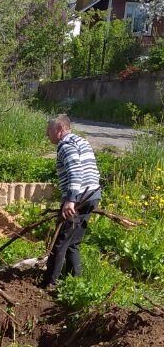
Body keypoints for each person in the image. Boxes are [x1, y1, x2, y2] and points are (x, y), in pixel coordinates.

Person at [42, 114, 101, 289]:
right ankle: (75, 282)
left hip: (79, 198)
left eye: (48, 131)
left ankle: (49, 283)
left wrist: (71, 200)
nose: (47, 135)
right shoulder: (82, 142)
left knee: (59, 242)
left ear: (59, 129)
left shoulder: (66, 145)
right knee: (73, 242)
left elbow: (75, 172)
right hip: (92, 195)